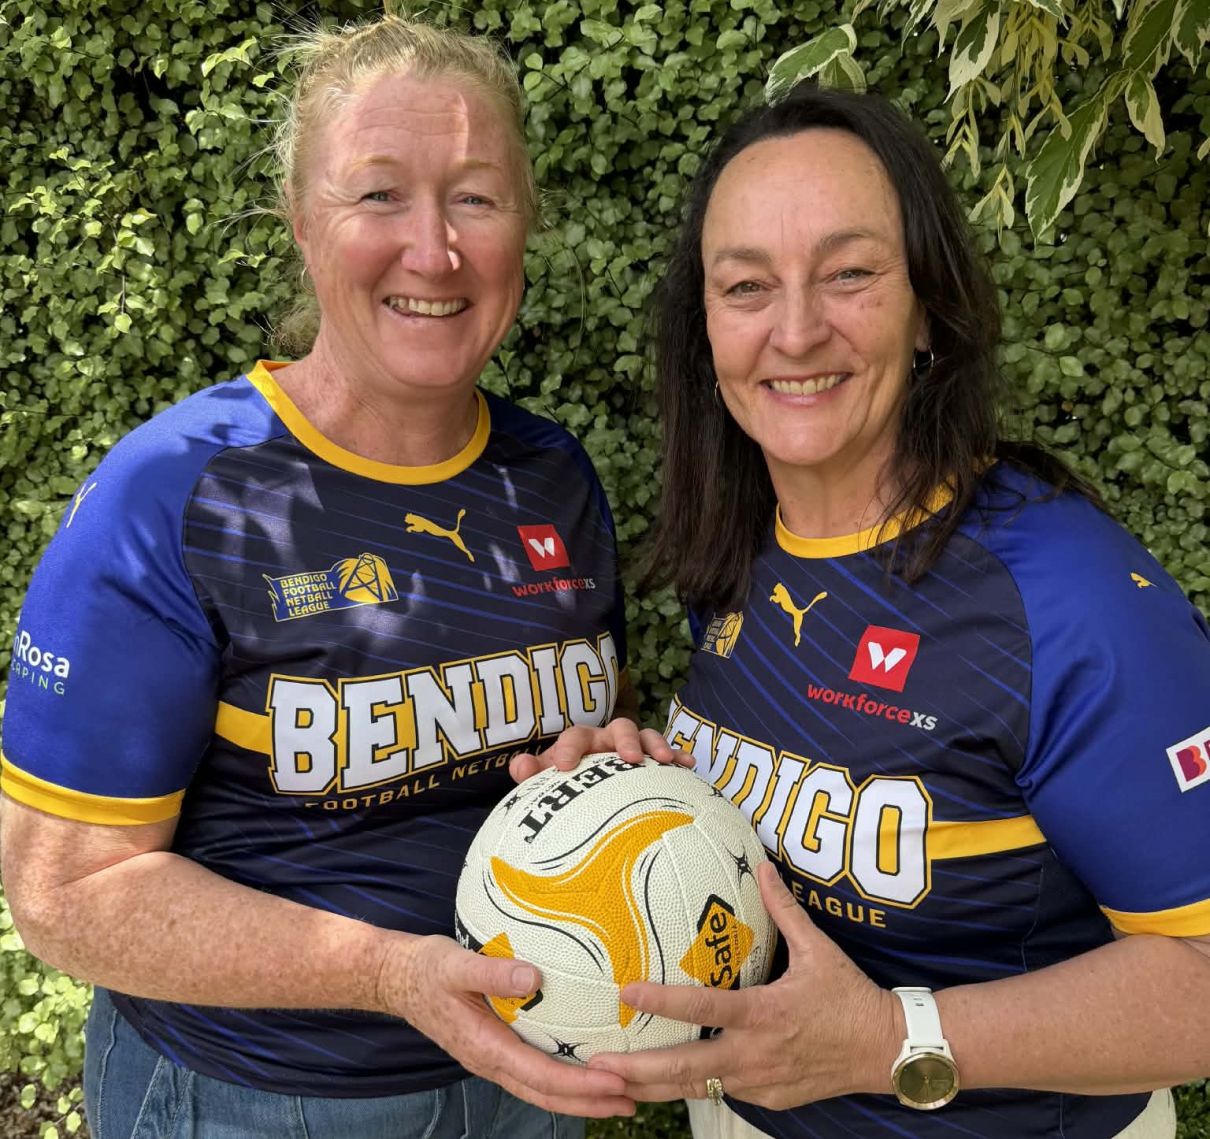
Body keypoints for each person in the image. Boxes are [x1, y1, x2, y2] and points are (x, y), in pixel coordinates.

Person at [0, 15, 658, 1138]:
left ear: (525, 227)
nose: (434, 250)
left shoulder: (553, 476)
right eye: (379, 195)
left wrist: (609, 766)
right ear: (303, 222)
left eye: (476, 197)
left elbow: (577, 739)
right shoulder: (176, 490)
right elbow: (67, 893)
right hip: (254, 1097)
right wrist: (391, 973)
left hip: (533, 1081)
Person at [523, 84, 1210, 1138]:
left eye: (849, 273)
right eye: (746, 285)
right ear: (705, 329)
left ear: (927, 303)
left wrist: (893, 1037)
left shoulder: (1071, 602)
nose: (796, 331)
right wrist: (641, 795)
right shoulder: (739, 547)